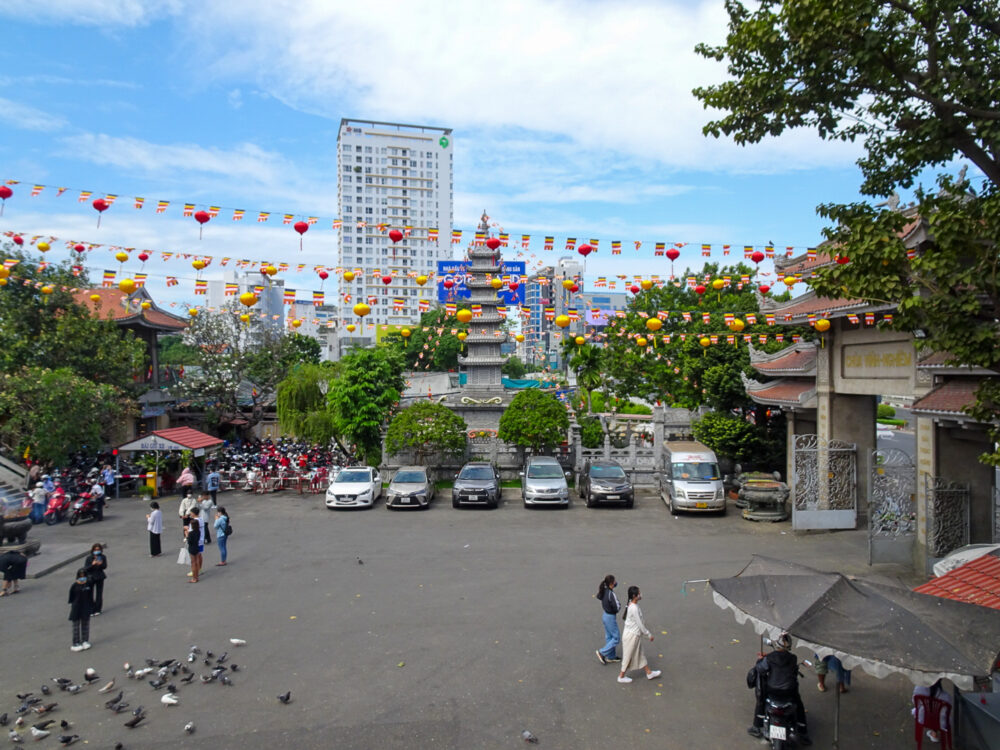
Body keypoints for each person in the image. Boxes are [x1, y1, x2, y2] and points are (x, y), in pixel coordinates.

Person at [748, 633, 811, 745]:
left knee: (761, 700)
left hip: (772, 690)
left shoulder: (769, 658)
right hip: (789, 691)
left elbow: (761, 669)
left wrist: (760, 660)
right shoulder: (792, 658)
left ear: (776, 645)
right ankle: (803, 732)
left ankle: (756, 726)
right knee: (799, 705)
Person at [617, 585, 661, 684]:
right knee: (628, 656)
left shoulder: (632, 605)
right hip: (631, 636)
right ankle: (621, 676)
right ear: (635, 596)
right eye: (639, 593)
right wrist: (648, 635)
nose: (641, 594)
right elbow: (640, 625)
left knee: (640, 654)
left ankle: (649, 672)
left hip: (633, 635)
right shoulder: (634, 608)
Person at [913, 679, 952, 744]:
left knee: (922, 711)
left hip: (923, 718)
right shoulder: (946, 696)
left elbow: (915, 702)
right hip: (940, 722)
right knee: (938, 715)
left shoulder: (918, 689)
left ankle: (930, 734)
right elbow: (946, 711)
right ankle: (934, 733)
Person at [595, 574, 621, 665]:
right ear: (611, 583)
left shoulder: (604, 590)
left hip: (605, 615)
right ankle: (602, 652)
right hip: (610, 616)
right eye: (614, 582)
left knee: (609, 637)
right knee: (616, 638)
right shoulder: (611, 594)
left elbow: (598, 596)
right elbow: (617, 607)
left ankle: (611, 656)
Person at [67, 567, 94, 651]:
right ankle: (76, 642)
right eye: (80, 576)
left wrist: (91, 605)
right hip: (77, 607)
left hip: (85, 606)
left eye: (84, 576)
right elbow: (71, 597)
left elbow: (90, 595)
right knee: (76, 625)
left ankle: (85, 640)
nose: (82, 577)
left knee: (85, 624)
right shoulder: (74, 585)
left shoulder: (88, 584)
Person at [83, 543, 108, 616]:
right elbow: (86, 568)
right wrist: (92, 564)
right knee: (90, 594)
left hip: (100, 577)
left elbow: (105, 566)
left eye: (98, 549)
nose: (97, 551)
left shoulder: (103, 557)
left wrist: (100, 564)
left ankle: (98, 609)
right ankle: (91, 609)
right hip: (91, 577)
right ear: (93, 550)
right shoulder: (89, 558)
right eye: (95, 549)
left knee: (99, 594)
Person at [185, 507, 203, 582]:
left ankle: (194, 578)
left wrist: (186, 534)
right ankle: (197, 575)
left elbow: (189, 541)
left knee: (193, 563)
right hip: (197, 546)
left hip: (192, 548)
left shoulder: (191, 533)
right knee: (197, 560)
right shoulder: (198, 531)